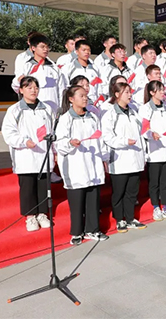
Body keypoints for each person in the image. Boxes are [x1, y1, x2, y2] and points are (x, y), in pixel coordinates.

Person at [56, 85, 109, 245]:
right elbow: (59, 143)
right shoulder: (65, 119)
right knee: (77, 201)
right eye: (81, 96)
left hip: (93, 163)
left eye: (86, 95)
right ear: (71, 99)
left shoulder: (92, 117)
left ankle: (93, 229)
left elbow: (101, 139)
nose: (85, 98)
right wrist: (70, 142)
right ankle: (77, 232)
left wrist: (104, 158)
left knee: (93, 199)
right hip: (76, 165)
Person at [1, 76, 53, 232]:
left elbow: (53, 130)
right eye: (29, 88)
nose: (33, 90)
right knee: (28, 187)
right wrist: (24, 141)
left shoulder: (46, 109)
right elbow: (8, 132)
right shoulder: (14, 110)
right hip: (25, 155)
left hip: (43, 154)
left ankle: (42, 214)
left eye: (36, 87)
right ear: (21, 90)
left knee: (43, 186)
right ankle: (30, 217)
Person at [102, 82, 147, 233]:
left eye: (130, 91)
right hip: (120, 159)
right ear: (117, 94)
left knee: (132, 192)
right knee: (119, 192)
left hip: (135, 156)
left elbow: (141, 132)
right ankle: (119, 219)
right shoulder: (110, 114)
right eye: (126, 92)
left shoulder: (134, 112)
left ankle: (130, 218)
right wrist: (124, 141)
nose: (129, 95)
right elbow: (107, 137)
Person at [139, 81, 166, 221]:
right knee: (154, 182)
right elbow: (143, 129)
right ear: (152, 92)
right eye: (160, 90)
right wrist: (151, 134)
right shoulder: (145, 109)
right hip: (155, 150)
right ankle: (156, 207)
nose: (163, 92)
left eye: (163, 89)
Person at [12, 34, 64, 113]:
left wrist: (60, 108)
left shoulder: (54, 68)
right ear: (33, 48)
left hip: (53, 109)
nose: (46, 49)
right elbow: (16, 86)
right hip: (33, 109)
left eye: (47, 47)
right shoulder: (27, 66)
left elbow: (61, 89)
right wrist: (19, 80)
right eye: (42, 47)